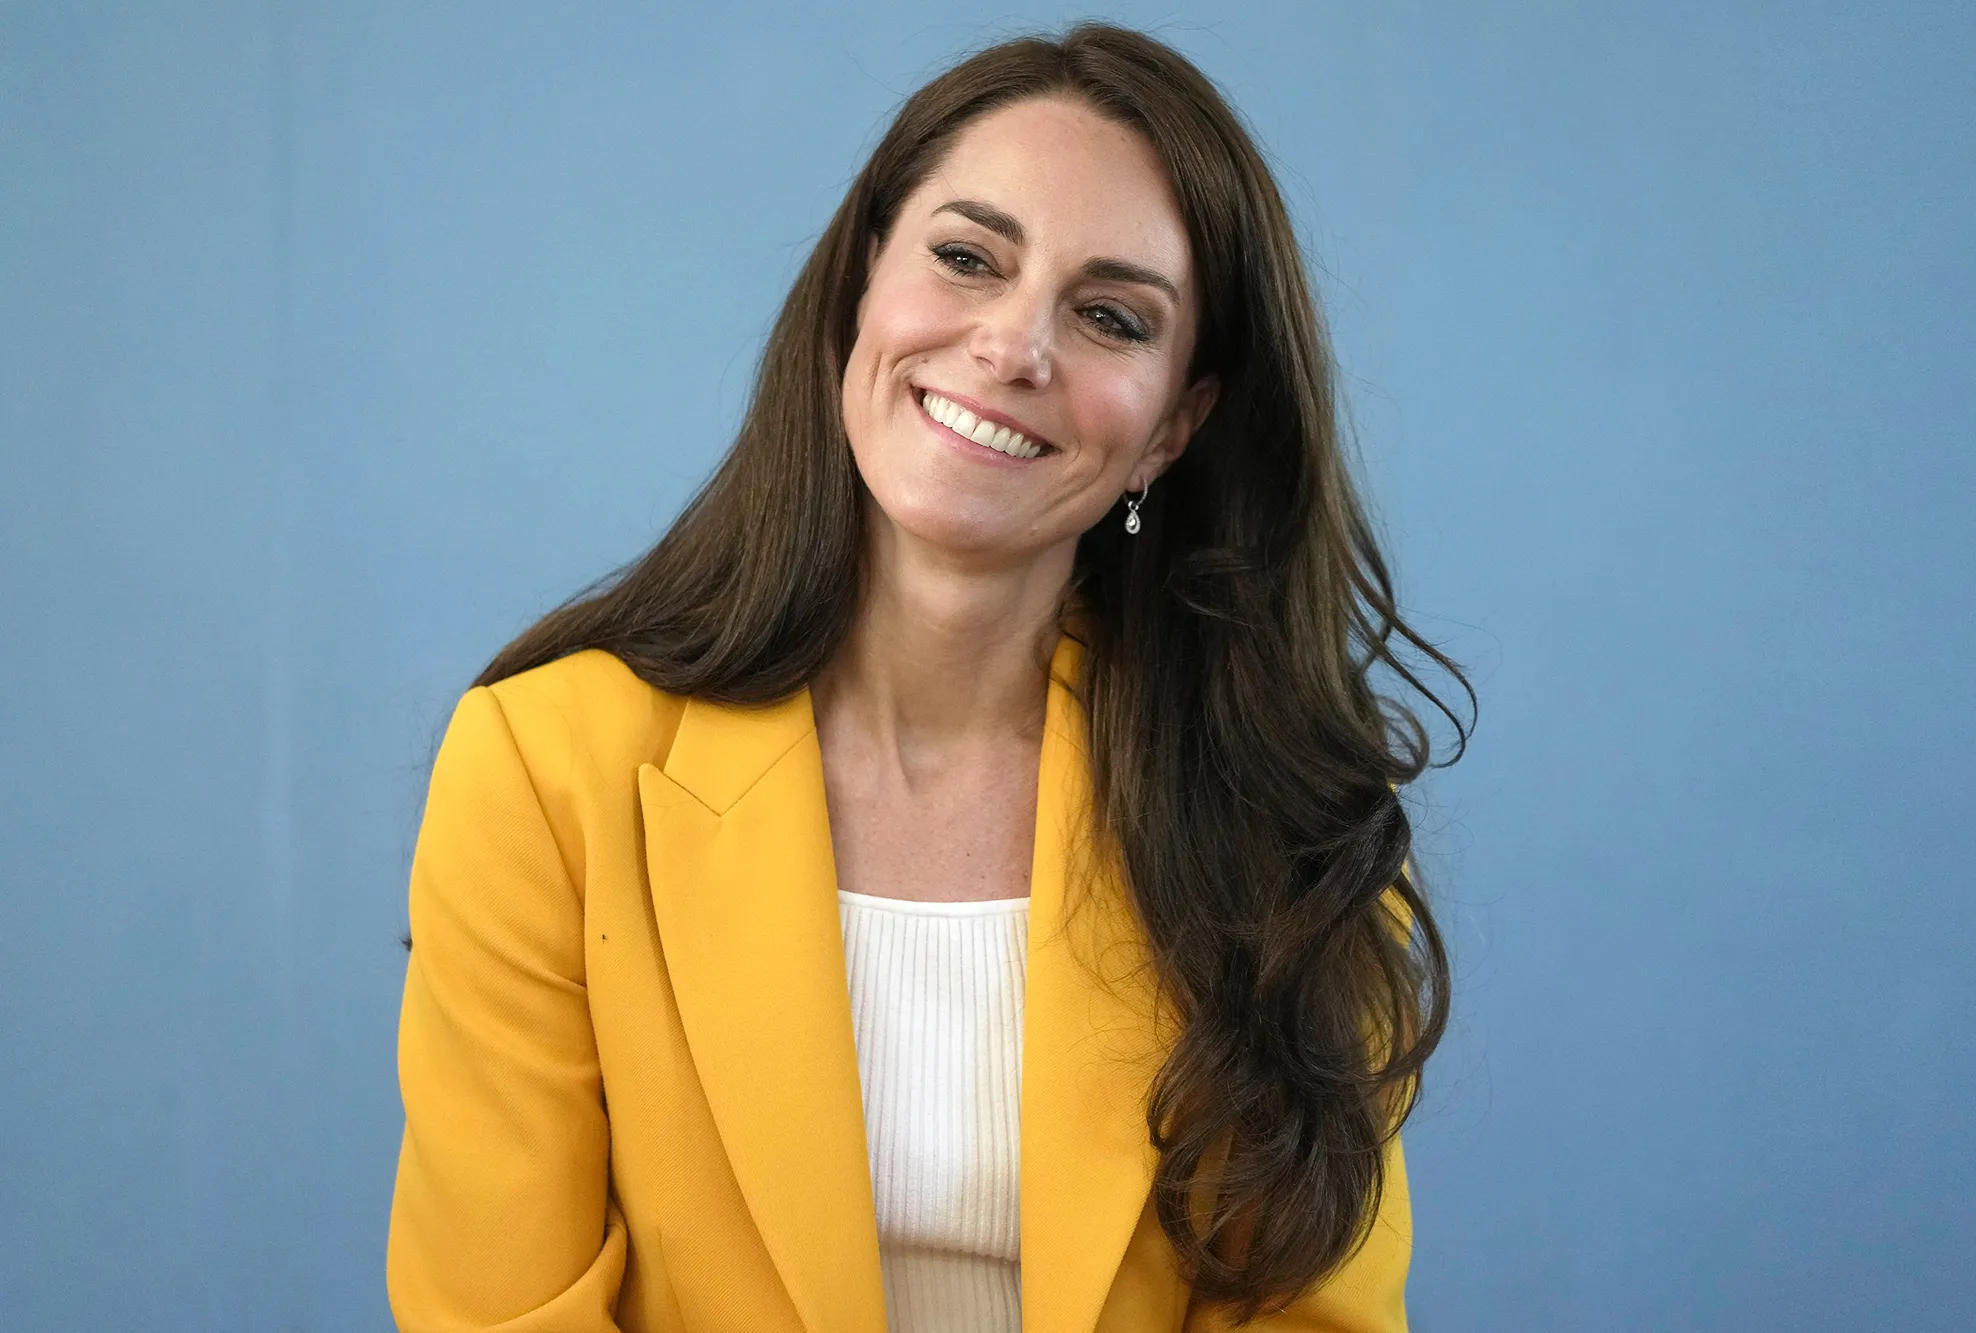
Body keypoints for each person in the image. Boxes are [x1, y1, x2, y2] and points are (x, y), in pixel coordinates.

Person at [385, 21, 1471, 1333]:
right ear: (861, 287)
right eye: (966, 257)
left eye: (1112, 316)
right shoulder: (543, 768)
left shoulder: (1288, 827)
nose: (1016, 348)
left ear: (1173, 429)